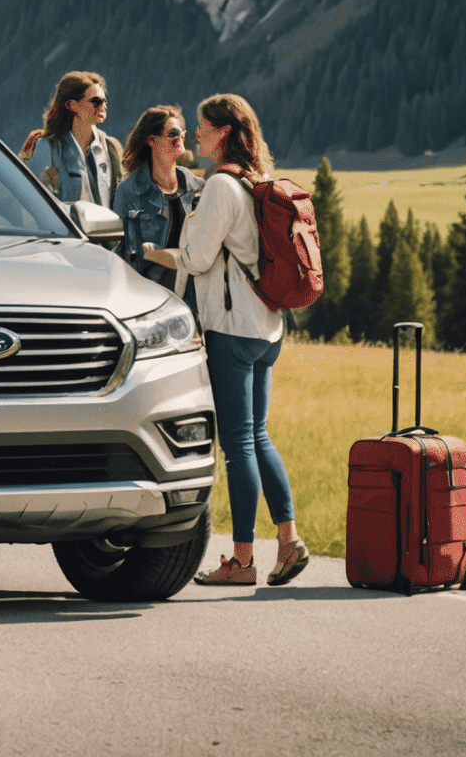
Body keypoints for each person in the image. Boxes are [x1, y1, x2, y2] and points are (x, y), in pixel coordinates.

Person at [141, 93, 308, 588]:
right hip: (267, 327)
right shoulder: (256, 181)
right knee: (258, 436)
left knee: (237, 444)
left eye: (201, 127)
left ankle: (241, 559)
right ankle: (289, 540)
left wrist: (157, 253)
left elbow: (196, 257)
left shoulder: (219, 186)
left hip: (232, 331)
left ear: (223, 132)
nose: (195, 135)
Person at [111, 106, 201, 310]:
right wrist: (186, 258)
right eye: (172, 134)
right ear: (151, 140)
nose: (179, 139)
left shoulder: (195, 186)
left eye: (181, 133)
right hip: (148, 296)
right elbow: (134, 252)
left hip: (192, 297)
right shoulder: (130, 190)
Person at [19, 71, 121, 208]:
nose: (103, 106)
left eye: (104, 101)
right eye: (96, 101)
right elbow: (31, 200)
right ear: (72, 105)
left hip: (106, 229)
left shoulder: (110, 147)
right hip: (68, 229)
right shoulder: (47, 147)